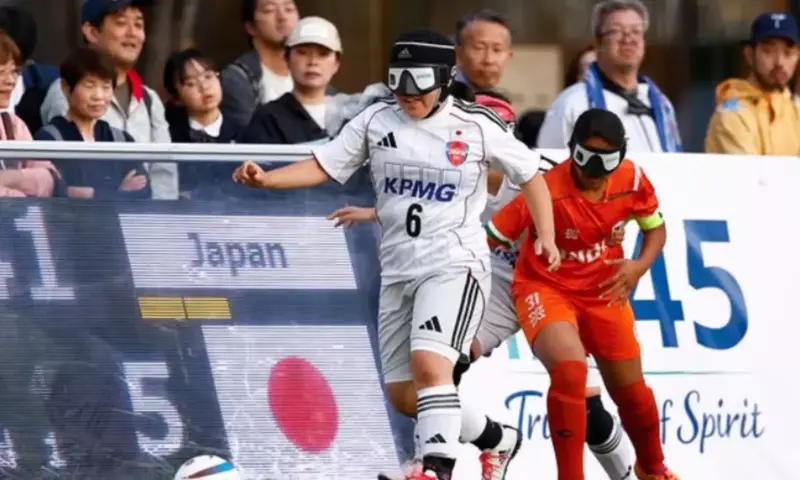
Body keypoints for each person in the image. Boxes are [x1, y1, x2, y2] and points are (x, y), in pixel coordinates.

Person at [233, 29, 559, 480]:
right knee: (406, 395)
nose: (407, 93)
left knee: (431, 365)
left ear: (444, 78)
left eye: (418, 82)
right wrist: (267, 178)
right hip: (398, 270)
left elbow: (531, 175)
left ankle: (435, 469)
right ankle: (497, 439)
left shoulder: (477, 124)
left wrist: (547, 236)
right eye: (397, 80)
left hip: (453, 265)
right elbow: (325, 164)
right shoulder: (376, 120)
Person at [328, 96, 635, 480]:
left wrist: (612, 235)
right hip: (499, 281)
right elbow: (423, 202)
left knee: (586, 409)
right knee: (439, 369)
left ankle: (627, 474)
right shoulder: (449, 166)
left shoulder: (540, 173)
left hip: (557, 287)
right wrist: (374, 212)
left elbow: (603, 213)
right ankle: (449, 457)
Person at [489, 108, 677, 480]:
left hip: (604, 291)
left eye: (605, 160)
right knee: (571, 372)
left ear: (622, 155)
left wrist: (638, 266)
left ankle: (652, 468)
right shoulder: (546, 188)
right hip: (546, 288)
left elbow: (655, 229)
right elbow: (493, 235)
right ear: (570, 148)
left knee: (633, 393)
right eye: (584, 156)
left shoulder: (633, 179)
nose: (592, 170)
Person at [40, 0, 175, 199]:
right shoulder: (64, 93)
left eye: (138, 24)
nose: (133, 33)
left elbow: (163, 170)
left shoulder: (149, 98)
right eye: (121, 23)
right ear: (92, 32)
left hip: (145, 216)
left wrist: (158, 214)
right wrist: (117, 193)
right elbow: (70, 183)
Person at [537, 0, 681, 153]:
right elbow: (550, 162)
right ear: (598, 42)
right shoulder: (573, 102)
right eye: (616, 31)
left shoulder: (661, 105)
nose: (628, 39)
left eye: (636, 31)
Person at [35, 47, 151, 200]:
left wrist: (90, 193)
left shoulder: (120, 139)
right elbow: (57, 193)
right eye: (90, 86)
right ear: (66, 88)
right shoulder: (49, 139)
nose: (98, 96)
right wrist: (119, 192)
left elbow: (143, 192)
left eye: (106, 87)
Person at [705, 12, 800, 155]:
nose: (780, 62)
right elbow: (749, 170)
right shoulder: (732, 115)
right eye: (769, 51)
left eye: (788, 53)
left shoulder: (793, 110)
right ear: (749, 55)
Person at [241, 16, 340, 144]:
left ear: (336, 63)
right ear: (287, 59)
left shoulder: (350, 115)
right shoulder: (268, 119)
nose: (313, 62)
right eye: (302, 53)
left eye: (323, 54)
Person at [163, 48, 244, 198]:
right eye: (191, 83)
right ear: (176, 97)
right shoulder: (168, 138)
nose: (204, 87)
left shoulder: (243, 133)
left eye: (208, 76)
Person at [220, 0, 300, 126]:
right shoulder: (237, 78)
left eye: (289, 9)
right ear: (250, 27)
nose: (283, 17)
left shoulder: (310, 72)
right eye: (269, 10)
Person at [454, 9, 513, 93]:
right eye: (479, 48)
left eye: (497, 50)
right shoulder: (441, 97)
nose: (489, 60)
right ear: (459, 54)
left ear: (509, 56)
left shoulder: (500, 98)